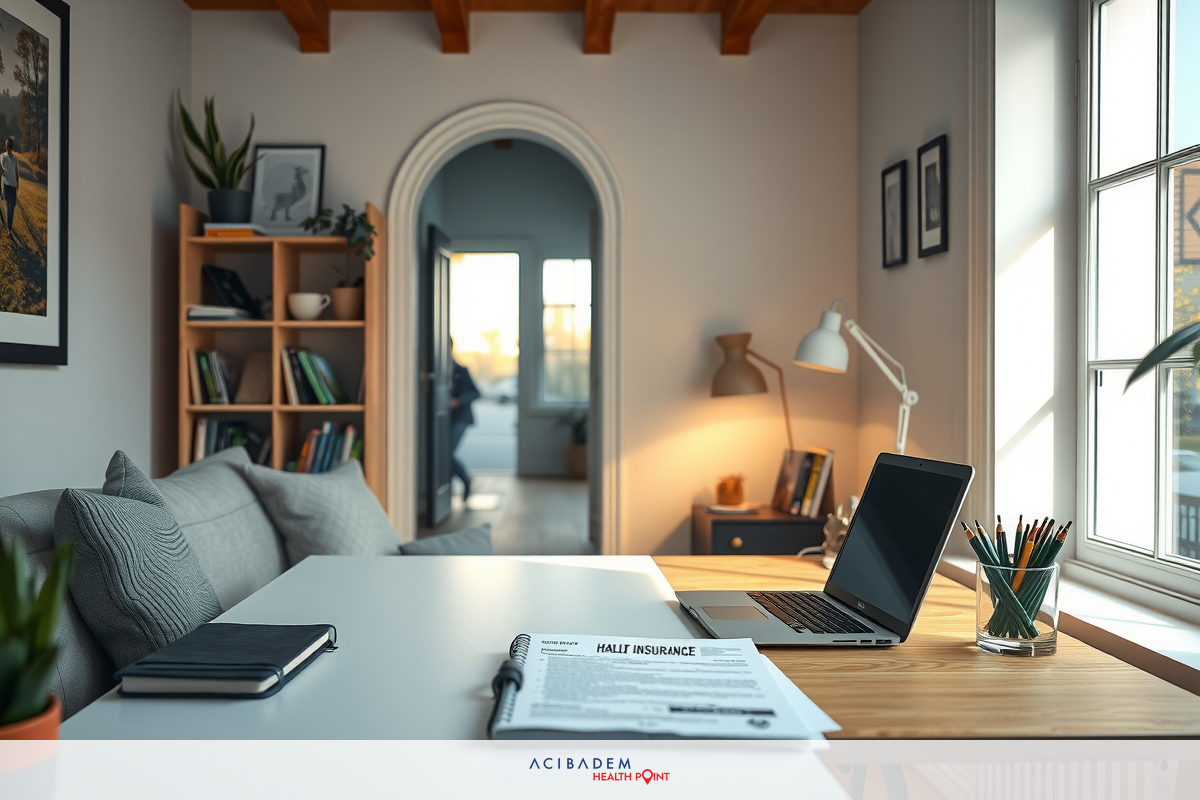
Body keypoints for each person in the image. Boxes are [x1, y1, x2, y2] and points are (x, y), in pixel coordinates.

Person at [448, 343, 481, 503]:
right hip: (445, 419)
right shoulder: (439, 370)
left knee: (446, 454)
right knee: (443, 454)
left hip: (461, 417)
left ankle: (466, 480)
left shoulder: (461, 369)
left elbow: (476, 392)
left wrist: (457, 401)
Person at [0, 138, 18, 238]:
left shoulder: (15, 159)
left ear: (12, 147)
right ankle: (9, 230)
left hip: (13, 186)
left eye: (10, 146)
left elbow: (16, 173)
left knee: (13, 205)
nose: (9, 147)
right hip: (6, 186)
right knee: (9, 206)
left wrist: (17, 185)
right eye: (7, 145)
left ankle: (9, 225)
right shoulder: (2, 157)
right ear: (5, 146)